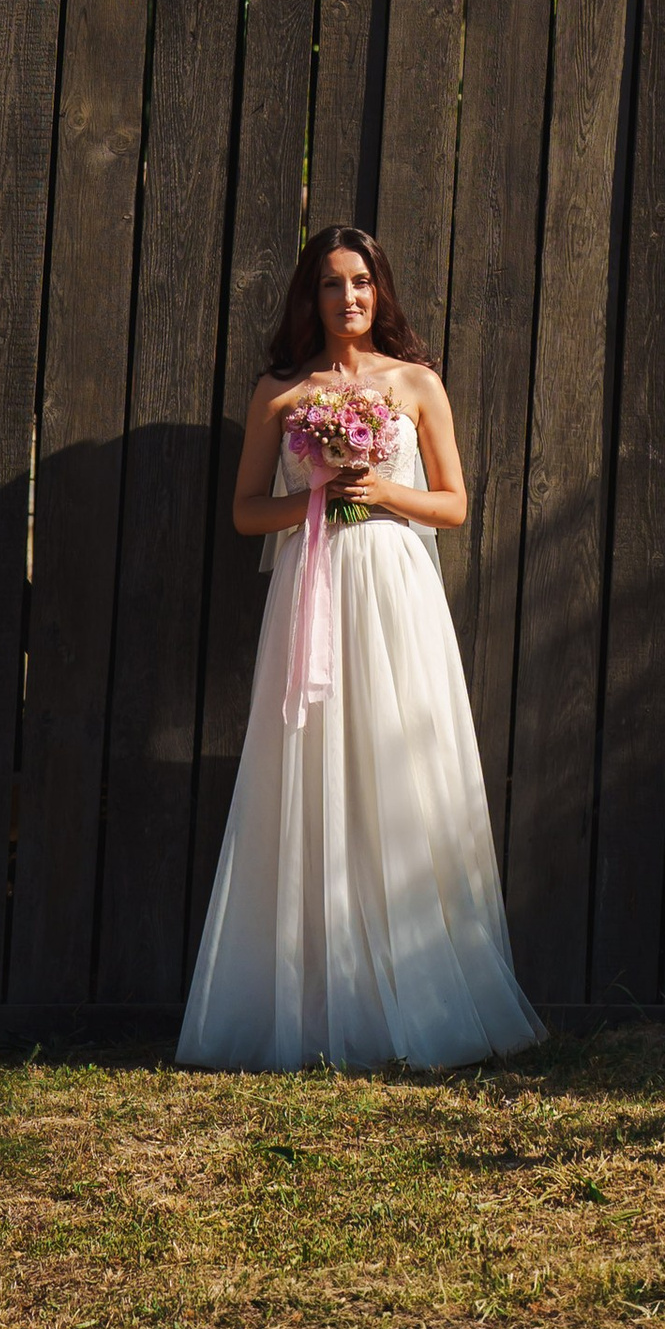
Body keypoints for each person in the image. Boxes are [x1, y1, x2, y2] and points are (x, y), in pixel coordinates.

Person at [175, 224, 544, 1072]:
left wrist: (378, 490)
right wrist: (317, 500)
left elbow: (453, 505)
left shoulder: (417, 384)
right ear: (311, 296)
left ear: (382, 291)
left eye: (363, 282)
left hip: (394, 592)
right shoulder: (281, 390)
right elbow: (243, 514)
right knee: (311, 772)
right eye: (333, 284)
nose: (350, 298)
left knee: (396, 765)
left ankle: (416, 995)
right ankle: (312, 1005)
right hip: (314, 591)